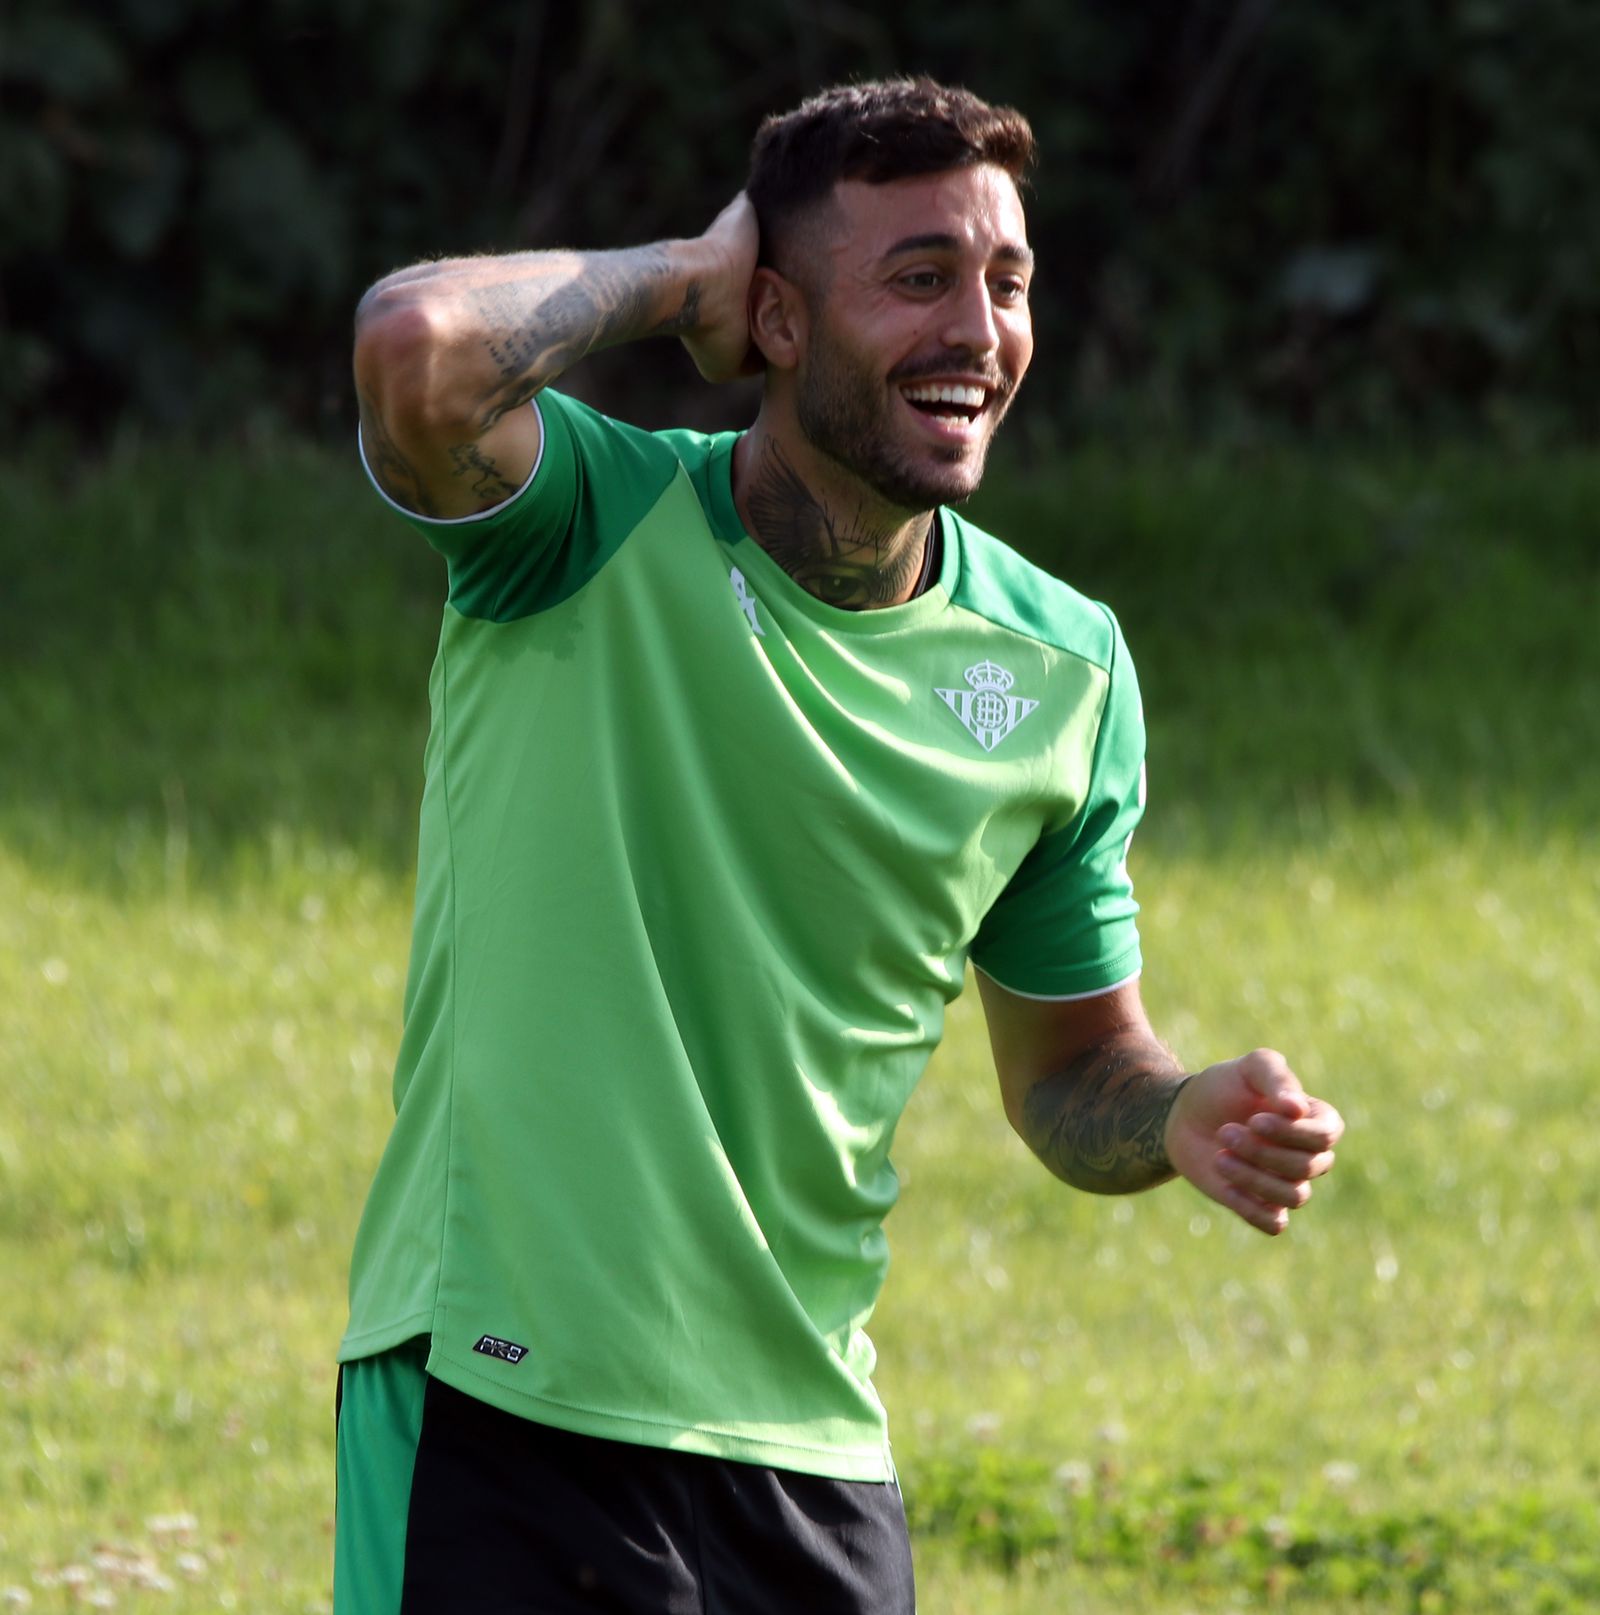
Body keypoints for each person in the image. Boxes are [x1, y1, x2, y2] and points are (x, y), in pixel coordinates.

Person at [335, 76, 1344, 1615]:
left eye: (1007, 282)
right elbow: (419, 353)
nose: (980, 331)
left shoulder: (1065, 672)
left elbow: (1074, 1074)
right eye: (919, 277)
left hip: (810, 1459)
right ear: (781, 321)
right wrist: (688, 272)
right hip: (506, 1404)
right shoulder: (588, 525)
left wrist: (1184, 1113)